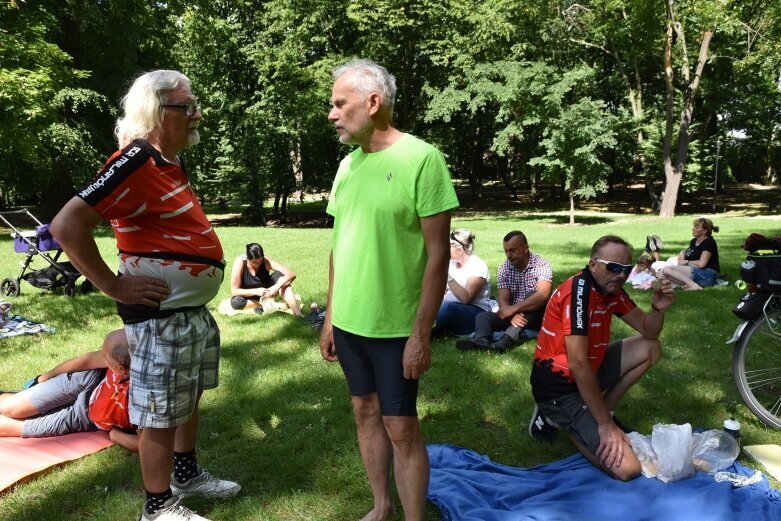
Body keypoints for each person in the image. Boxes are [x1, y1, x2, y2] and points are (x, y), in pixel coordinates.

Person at [50, 70, 238, 521]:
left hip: (189, 311)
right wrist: (113, 285)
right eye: (186, 107)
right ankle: (158, 507)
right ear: (156, 112)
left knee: (186, 398)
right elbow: (66, 225)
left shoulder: (168, 163)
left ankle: (186, 475)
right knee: (157, 413)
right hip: (159, 317)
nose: (197, 114)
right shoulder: (135, 160)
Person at [319, 58, 458, 521]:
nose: (332, 113)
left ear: (373, 103)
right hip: (349, 321)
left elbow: (438, 255)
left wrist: (421, 333)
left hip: (397, 326)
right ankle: (381, 508)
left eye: (340, 104)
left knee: (401, 427)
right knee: (363, 411)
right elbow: (340, 248)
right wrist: (329, 318)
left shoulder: (423, 159)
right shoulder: (346, 167)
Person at [528, 235, 674, 481]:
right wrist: (605, 426)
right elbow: (577, 363)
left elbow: (649, 330)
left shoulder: (610, 290)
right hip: (559, 387)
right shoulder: (578, 293)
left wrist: (658, 308)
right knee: (628, 469)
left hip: (587, 371)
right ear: (593, 264)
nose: (620, 275)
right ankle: (565, 420)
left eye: (626, 269)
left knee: (650, 347)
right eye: (614, 267)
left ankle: (603, 411)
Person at [0, 330, 138, 452]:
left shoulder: (143, 398)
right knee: (9, 407)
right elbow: (86, 361)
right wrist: (42, 379)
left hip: (86, 416)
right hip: (87, 380)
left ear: (121, 369)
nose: (102, 357)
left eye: (106, 358)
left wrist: (116, 436)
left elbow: (147, 446)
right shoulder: (131, 355)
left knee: (11, 426)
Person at [455, 231, 552, 352]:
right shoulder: (505, 268)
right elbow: (503, 299)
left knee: (532, 296)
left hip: (536, 314)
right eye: (506, 251)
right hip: (513, 314)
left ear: (525, 248)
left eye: (512, 250)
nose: (508, 255)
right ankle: (481, 343)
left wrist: (514, 309)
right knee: (482, 317)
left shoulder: (541, 264)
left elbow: (543, 295)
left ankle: (505, 342)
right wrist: (510, 314)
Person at [432, 229, 491, 336]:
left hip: (475, 314)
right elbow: (442, 292)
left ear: (460, 249)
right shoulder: (451, 264)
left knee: (447, 307)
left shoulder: (477, 266)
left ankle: (424, 335)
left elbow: (466, 299)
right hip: (450, 310)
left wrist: (447, 276)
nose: (446, 248)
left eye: (449, 245)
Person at [229, 242, 302, 316]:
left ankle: (297, 313)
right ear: (247, 259)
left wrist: (276, 287)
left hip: (267, 293)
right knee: (235, 302)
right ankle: (262, 305)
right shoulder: (240, 263)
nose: (258, 264)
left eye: (260, 261)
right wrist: (256, 291)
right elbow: (234, 291)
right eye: (254, 262)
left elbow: (291, 274)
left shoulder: (266, 261)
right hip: (249, 296)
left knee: (280, 276)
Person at [659, 218, 720, 290]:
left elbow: (702, 264)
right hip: (696, 271)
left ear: (705, 231)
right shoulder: (694, 241)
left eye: (696, 227)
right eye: (694, 227)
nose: (693, 229)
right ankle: (688, 284)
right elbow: (686, 256)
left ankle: (694, 286)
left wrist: (686, 262)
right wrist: (683, 255)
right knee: (660, 274)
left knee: (667, 269)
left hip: (708, 273)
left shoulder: (709, 242)